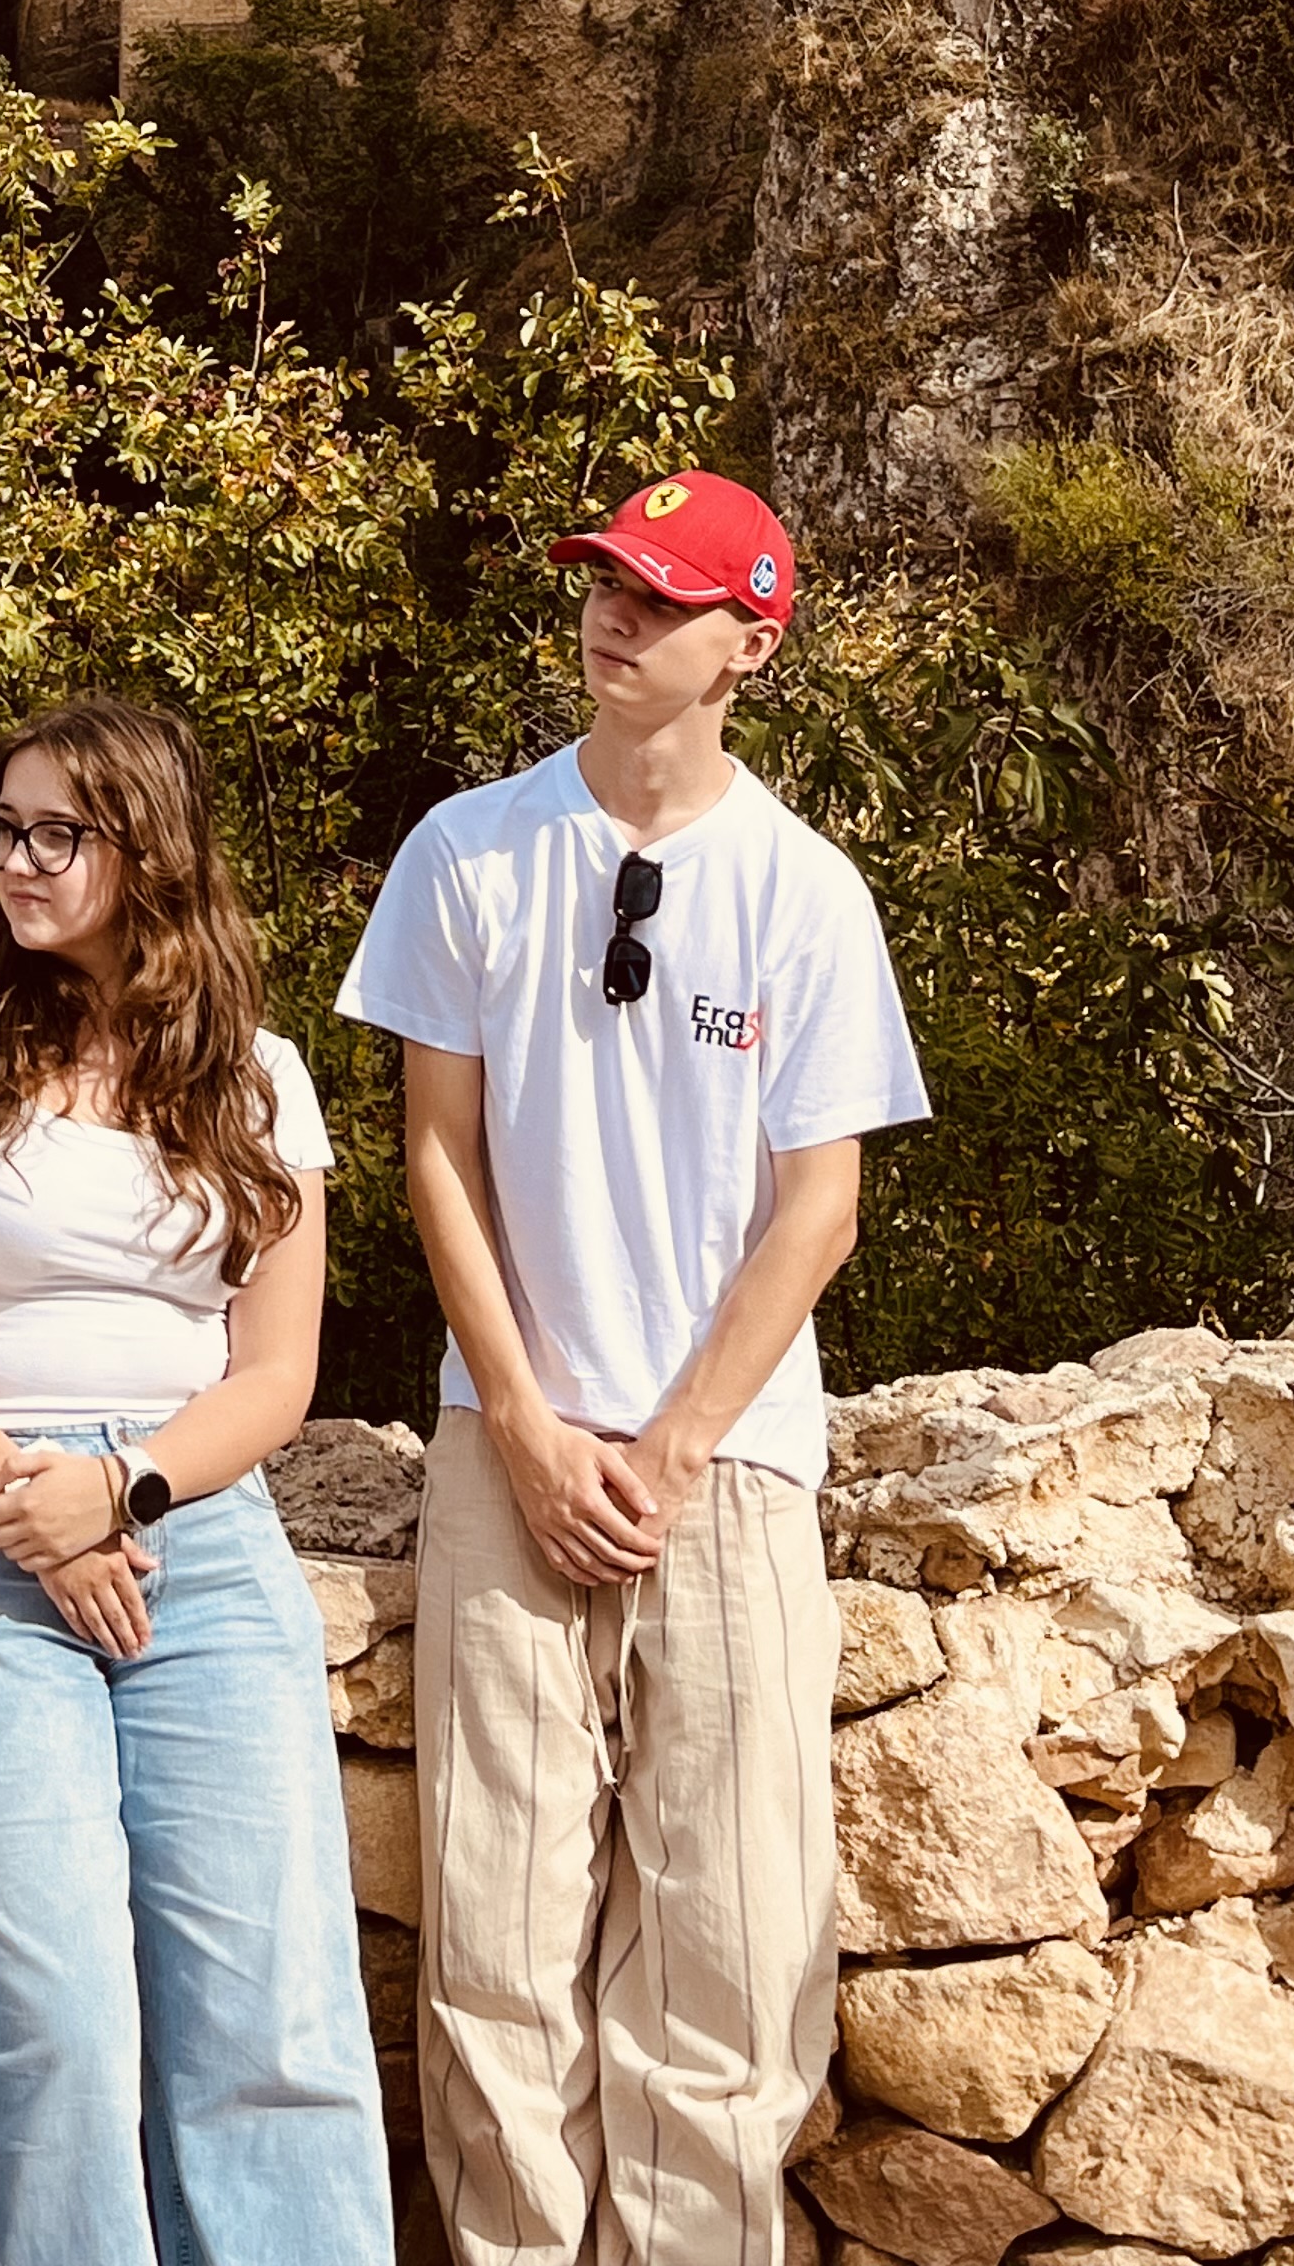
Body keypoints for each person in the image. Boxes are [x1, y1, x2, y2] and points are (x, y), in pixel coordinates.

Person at [336, 470, 931, 2266]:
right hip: (505, 1445)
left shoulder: (805, 891)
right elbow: (437, 1156)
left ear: (751, 642)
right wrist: (523, 1423)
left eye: (664, 597)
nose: (617, 614)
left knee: (728, 1955)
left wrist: (671, 1449)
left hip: (727, 1465)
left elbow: (817, 1210)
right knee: (498, 1953)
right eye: (607, 579)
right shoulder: (469, 851)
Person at [0, 692, 391, 2266]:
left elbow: (274, 1378)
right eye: (3, 830)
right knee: (52, 2016)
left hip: (194, 1540)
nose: (16, 862)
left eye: (56, 834)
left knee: (270, 2012)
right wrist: (33, 1501)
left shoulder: (261, 1079)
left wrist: (123, 1491)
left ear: (147, 849)